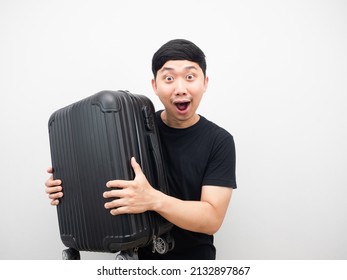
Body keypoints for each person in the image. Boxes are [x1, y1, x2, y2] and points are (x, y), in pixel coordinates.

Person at [45, 39, 237, 260]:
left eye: (190, 76)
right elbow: (108, 182)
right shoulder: (132, 128)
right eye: (169, 78)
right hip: (134, 259)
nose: (180, 88)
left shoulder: (219, 141)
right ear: (155, 86)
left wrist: (153, 199)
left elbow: (212, 219)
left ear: (205, 83)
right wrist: (68, 186)